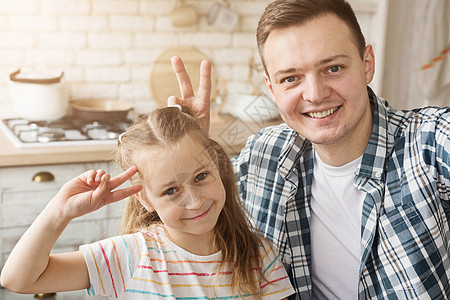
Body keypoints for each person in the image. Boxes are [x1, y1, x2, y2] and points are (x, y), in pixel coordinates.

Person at [167, 0, 450, 299]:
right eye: (291, 78)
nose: (315, 95)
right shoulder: (263, 154)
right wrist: (190, 148)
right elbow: (184, 211)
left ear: (367, 64)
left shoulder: (430, 143)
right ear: (271, 88)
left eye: (333, 68)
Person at [0, 106, 295, 299]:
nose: (194, 200)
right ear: (144, 198)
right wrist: (58, 213)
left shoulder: (259, 256)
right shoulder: (131, 255)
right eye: (170, 191)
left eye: (202, 176)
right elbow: (19, 280)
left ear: (218, 166)